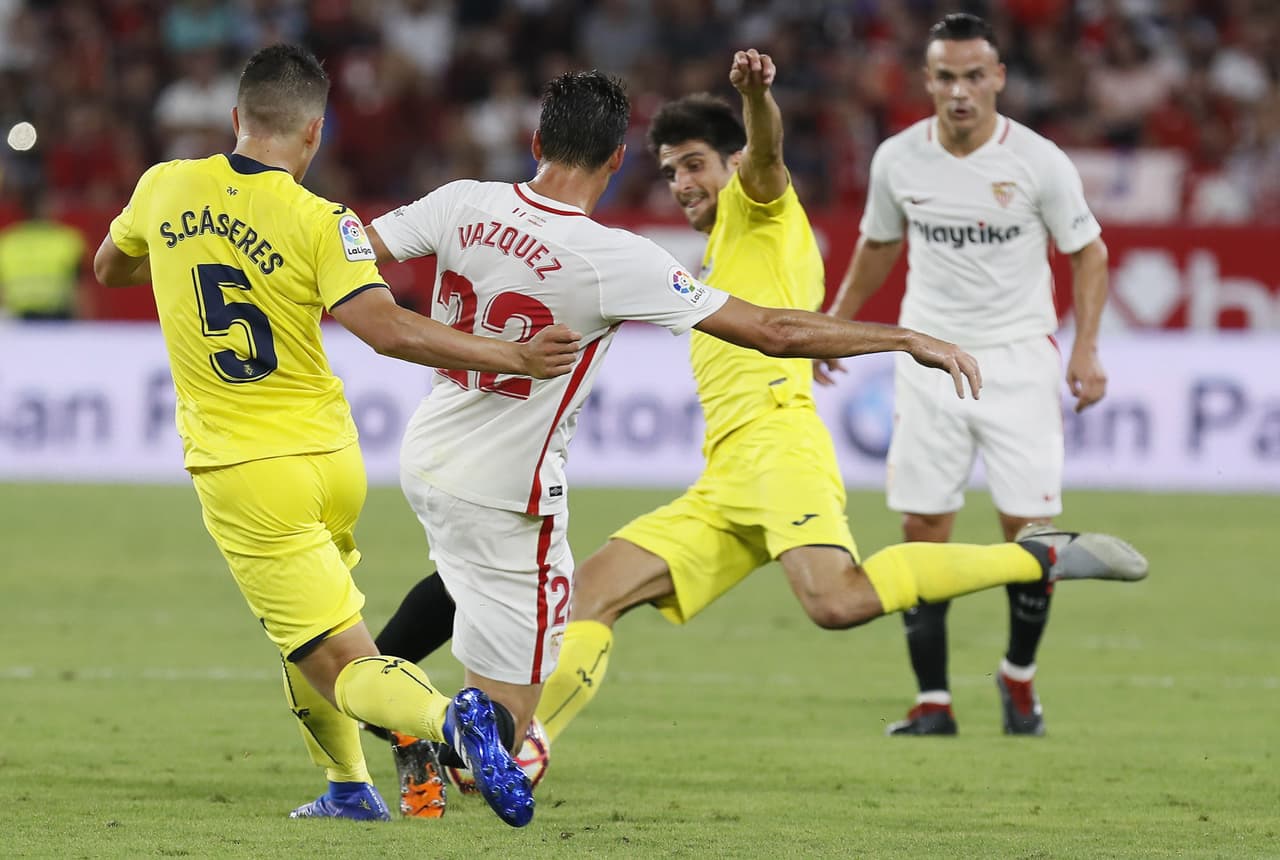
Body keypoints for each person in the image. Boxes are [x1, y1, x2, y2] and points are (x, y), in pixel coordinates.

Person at [362, 54, 1144, 816]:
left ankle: (1033, 555)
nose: (685, 184)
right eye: (669, 170)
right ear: (624, 158)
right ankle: (526, 748)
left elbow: (767, 217)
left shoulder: (756, 205)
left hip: (777, 446)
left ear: (731, 163)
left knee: (835, 602)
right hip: (723, 471)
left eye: (697, 165)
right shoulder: (658, 254)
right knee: (592, 596)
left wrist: (757, 105)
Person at [92, 43, 583, 828]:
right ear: (314, 133)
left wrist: (175, 257)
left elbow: (109, 267)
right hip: (333, 460)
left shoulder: (164, 185)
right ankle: (349, 789)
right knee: (306, 636)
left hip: (246, 472)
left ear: (234, 118)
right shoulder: (326, 222)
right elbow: (384, 329)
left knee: (340, 659)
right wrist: (513, 354)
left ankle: (454, 725)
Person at [817, 13, 1113, 737]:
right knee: (923, 528)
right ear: (927, 81)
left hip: (1017, 358)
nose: (960, 91)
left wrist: (1085, 349)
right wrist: (836, 322)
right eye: (946, 76)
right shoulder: (898, 159)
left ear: (999, 80)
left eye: (974, 76)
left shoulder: (1039, 161)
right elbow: (879, 244)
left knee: (1031, 536)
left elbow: (1090, 253)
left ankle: (1017, 678)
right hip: (928, 357)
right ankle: (934, 702)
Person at [0, 187, 86, 320]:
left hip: (17, 324)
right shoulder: (68, 240)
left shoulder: (7, 242)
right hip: (57, 321)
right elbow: (79, 291)